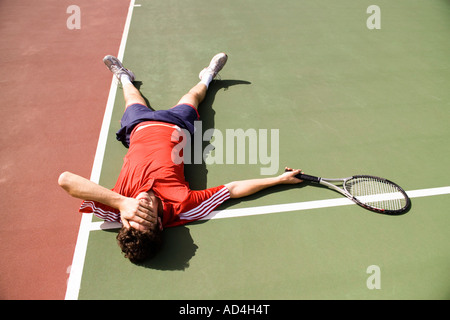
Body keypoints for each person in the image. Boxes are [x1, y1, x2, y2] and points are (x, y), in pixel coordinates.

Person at [58, 53, 303, 263]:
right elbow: (233, 189)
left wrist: (122, 203)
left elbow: (66, 180)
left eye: (133, 216)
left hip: (138, 127)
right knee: (194, 96)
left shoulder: (117, 206)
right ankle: (208, 75)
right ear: (160, 224)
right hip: (178, 127)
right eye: (145, 216)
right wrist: (279, 179)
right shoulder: (184, 206)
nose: (139, 206)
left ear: (124, 219)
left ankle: (124, 76)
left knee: (132, 98)